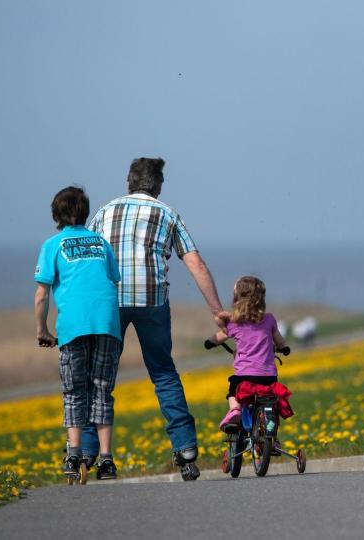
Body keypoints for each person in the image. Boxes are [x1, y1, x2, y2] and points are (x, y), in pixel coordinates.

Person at [84, 157, 229, 481]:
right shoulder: (168, 214)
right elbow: (196, 264)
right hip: (152, 300)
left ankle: (90, 451)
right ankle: (185, 448)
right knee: (163, 373)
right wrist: (217, 311)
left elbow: (88, 260)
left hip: (110, 300)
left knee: (100, 377)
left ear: (129, 182)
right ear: (159, 186)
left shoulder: (104, 212)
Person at [34, 186, 123, 481]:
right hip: (107, 323)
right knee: (102, 390)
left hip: (73, 326)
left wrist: (42, 330)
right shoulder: (101, 243)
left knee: (74, 391)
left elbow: (42, 295)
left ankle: (74, 454)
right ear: (84, 212)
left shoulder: (53, 245)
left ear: (56, 215)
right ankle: (106, 460)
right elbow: (112, 281)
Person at [203, 276, 291, 433]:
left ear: (237, 298)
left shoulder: (234, 323)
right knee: (271, 404)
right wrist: (283, 348)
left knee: (233, 390)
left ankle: (235, 410)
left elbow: (218, 337)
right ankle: (272, 438)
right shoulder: (269, 320)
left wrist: (210, 342)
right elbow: (280, 341)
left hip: (244, 377)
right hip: (269, 377)